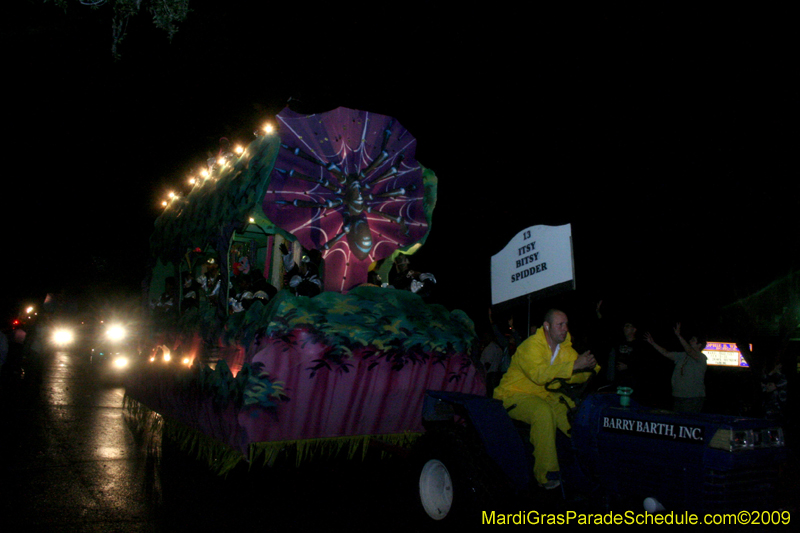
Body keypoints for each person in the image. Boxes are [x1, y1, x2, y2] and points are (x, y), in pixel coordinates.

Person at [493, 309, 598, 489]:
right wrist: (575, 366)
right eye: (560, 325)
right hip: (514, 394)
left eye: (566, 324)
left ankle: (590, 464)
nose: (565, 329)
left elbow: (573, 373)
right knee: (542, 412)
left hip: (545, 394)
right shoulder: (531, 346)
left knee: (574, 413)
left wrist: (589, 368)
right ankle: (547, 474)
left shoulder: (565, 348)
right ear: (547, 326)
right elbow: (540, 375)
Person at [645, 323, 707, 413]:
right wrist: (653, 343)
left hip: (692, 398)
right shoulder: (682, 355)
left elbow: (690, 351)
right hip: (678, 396)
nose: (690, 341)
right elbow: (666, 353)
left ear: (699, 345)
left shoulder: (701, 357)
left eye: (693, 340)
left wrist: (678, 336)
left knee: (687, 423)